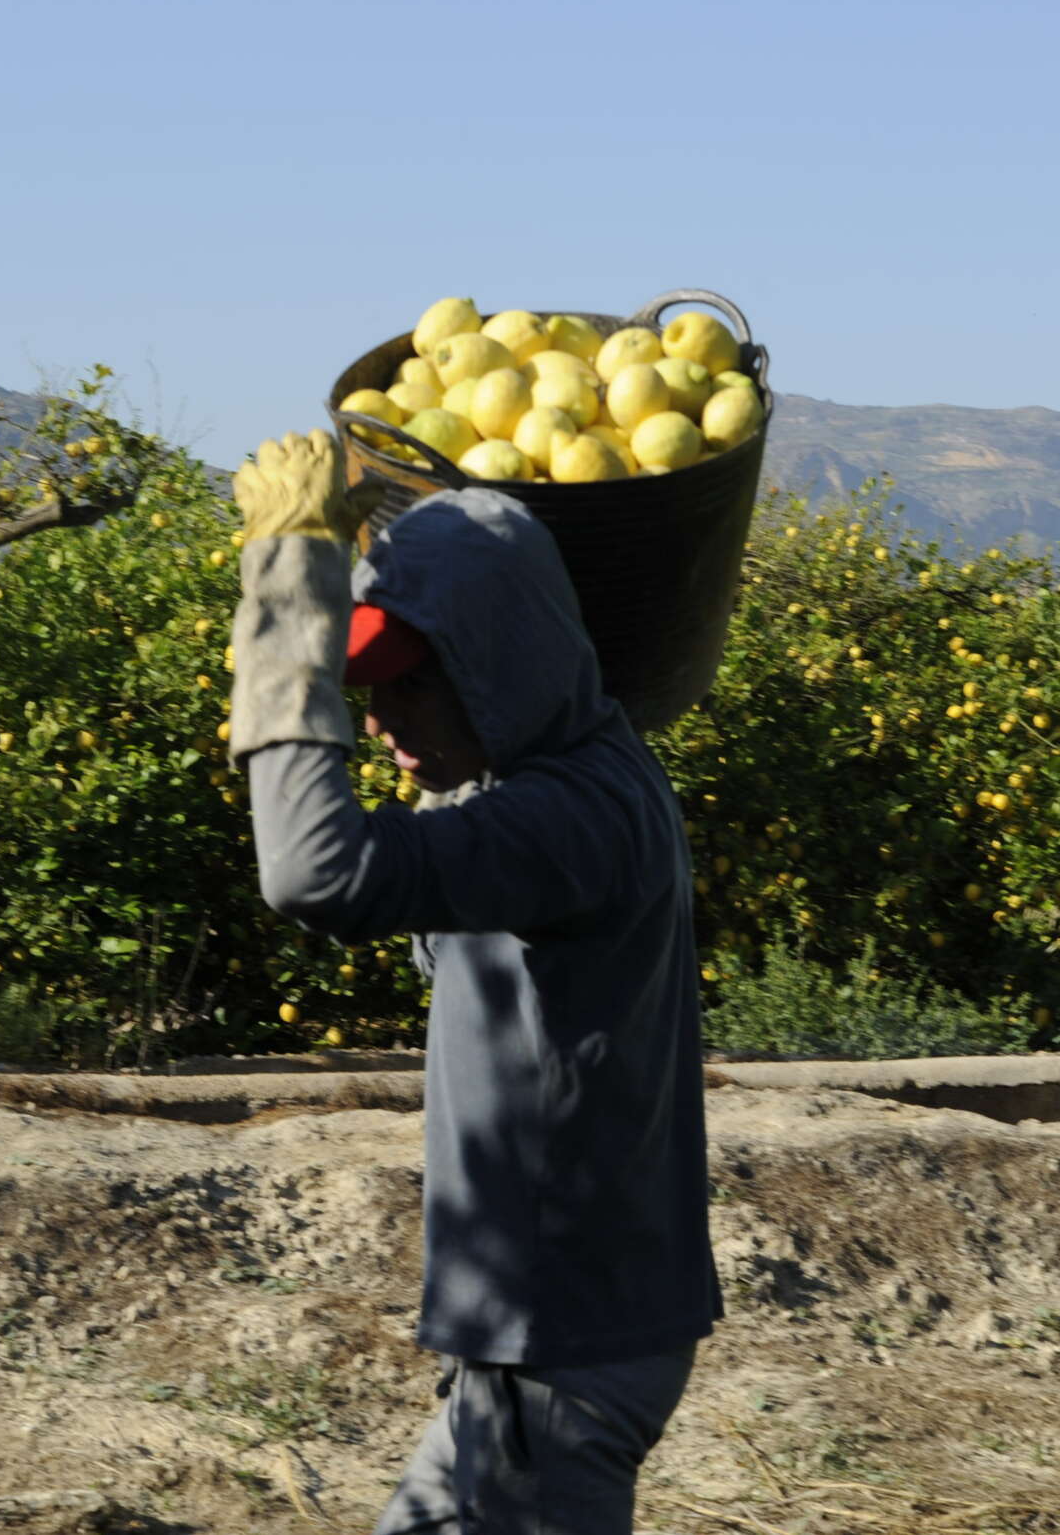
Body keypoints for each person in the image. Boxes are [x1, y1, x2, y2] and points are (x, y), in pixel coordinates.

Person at [229, 429, 722, 1534]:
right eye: (369, 688)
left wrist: (284, 579)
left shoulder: (567, 820)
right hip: (543, 1349)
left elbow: (314, 870)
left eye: (410, 683)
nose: (381, 724)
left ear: (501, 663)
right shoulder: (568, 769)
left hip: (559, 1361)